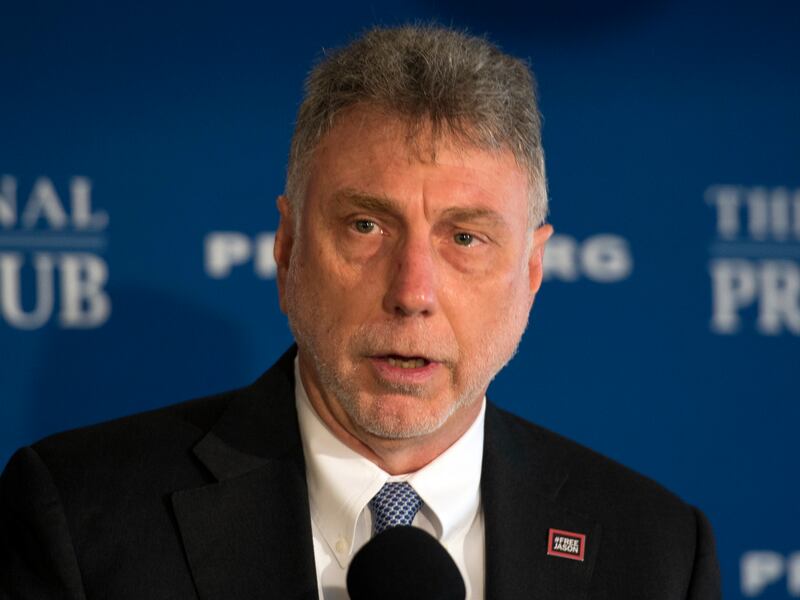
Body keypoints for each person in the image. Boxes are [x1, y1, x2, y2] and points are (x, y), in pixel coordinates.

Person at [1, 25, 720, 599]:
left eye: (465, 238)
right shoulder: (82, 518)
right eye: (366, 227)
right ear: (287, 248)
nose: (413, 291)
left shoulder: (657, 554)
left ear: (531, 271)